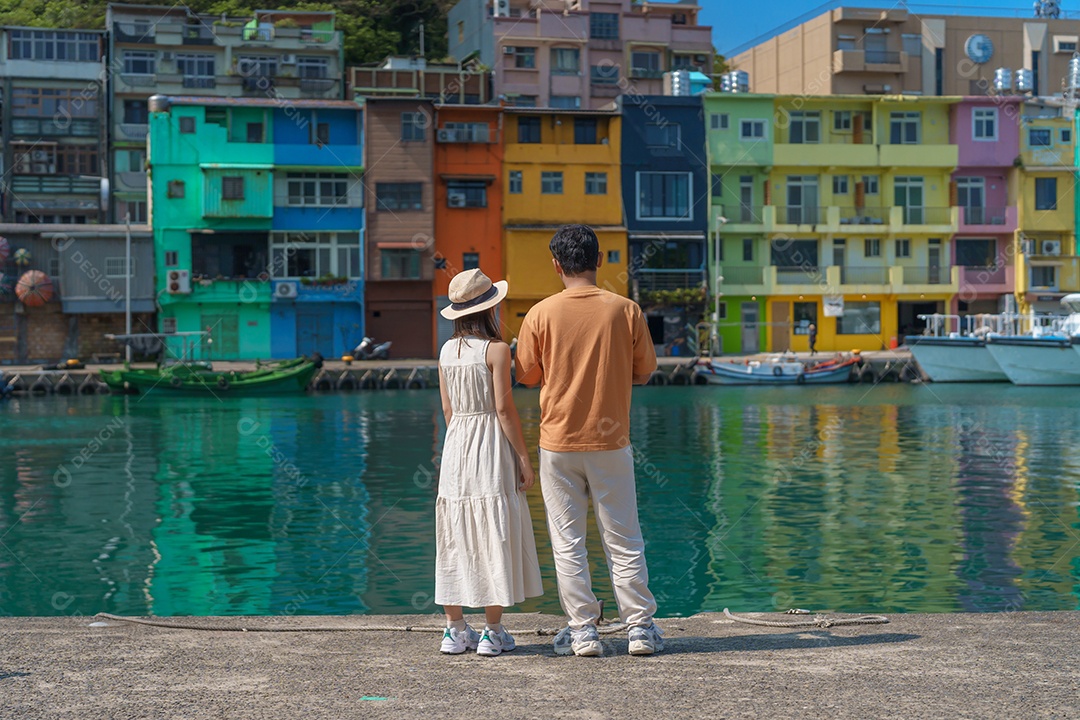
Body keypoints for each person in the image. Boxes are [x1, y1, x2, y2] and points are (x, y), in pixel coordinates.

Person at [515, 224, 663, 657]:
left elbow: (526, 376)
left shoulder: (540, 314)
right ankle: (639, 628)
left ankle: (583, 632)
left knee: (567, 541)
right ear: (599, 261)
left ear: (556, 264)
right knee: (624, 538)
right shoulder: (626, 310)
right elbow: (645, 370)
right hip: (612, 441)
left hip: (557, 443)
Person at [434, 268, 543, 657]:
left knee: (455, 530)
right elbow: (503, 408)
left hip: (457, 442)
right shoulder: (496, 349)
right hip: (490, 443)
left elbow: (448, 408)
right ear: (490, 309)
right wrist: (523, 458)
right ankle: (492, 632)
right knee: (493, 527)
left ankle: (453, 629)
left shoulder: (446, 352)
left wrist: (459, 440)